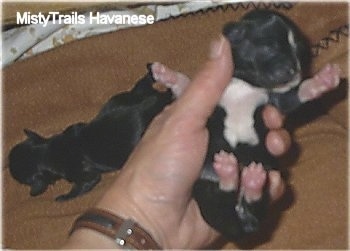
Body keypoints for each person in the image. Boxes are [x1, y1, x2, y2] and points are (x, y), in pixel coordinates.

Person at [63, 36, 290, 249]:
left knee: (242, 204)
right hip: (210, 177)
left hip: (218, 175)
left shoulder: (255, 97)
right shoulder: (233, 87)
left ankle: (243, 192)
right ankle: (242, 190)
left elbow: (195, 109)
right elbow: (196, 109)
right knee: (237, 201)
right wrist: (181, 85)